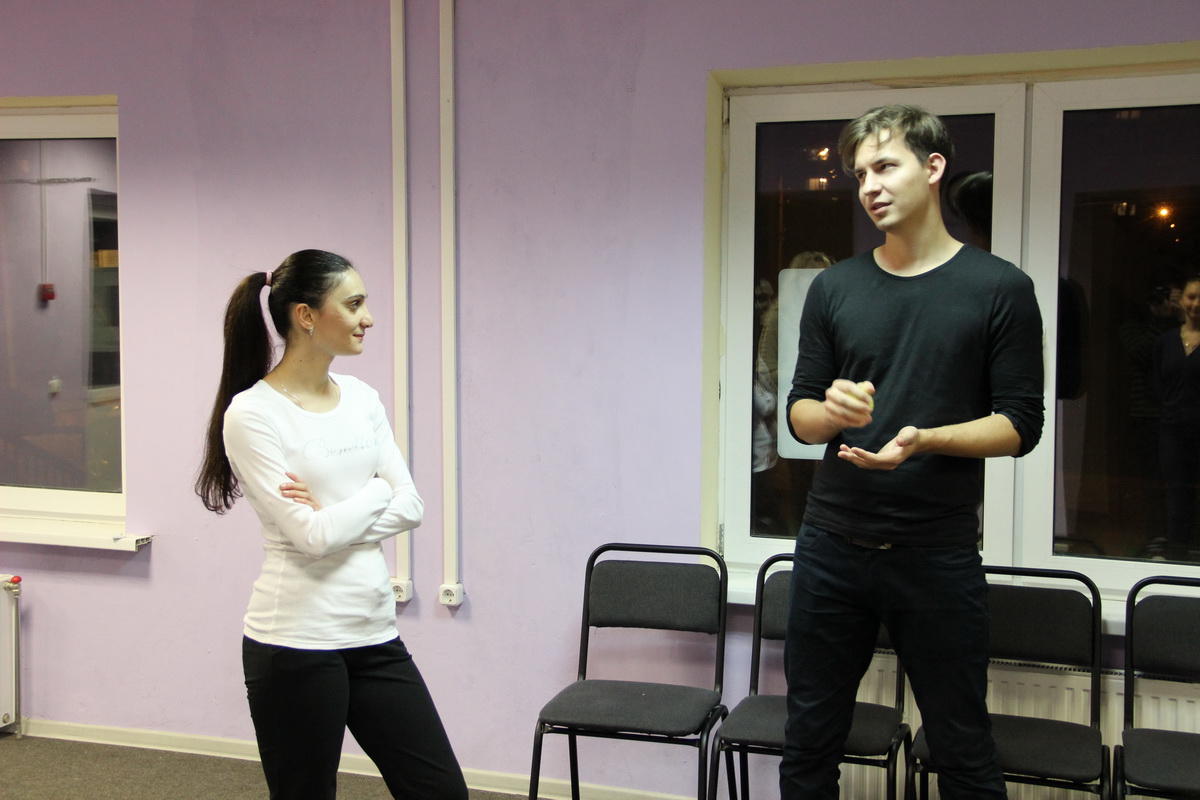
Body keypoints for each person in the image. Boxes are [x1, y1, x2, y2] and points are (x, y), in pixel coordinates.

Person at [781, 105, 1044, 799]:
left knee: (962, 750)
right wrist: (831, 413)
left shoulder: (1000, 288)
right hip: (831, 549)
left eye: (884, 166)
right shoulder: (834, 288)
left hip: (936, 554)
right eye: (859, 174)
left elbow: (1021, 425)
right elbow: (799, 417)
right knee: (808, 746)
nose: (869, 186)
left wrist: (927, 438)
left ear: (932, 168)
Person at [195, 249, 467, 800]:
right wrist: (375, 492)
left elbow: (412, 506)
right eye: (354, 304)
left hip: (373, 633)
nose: (369, 318)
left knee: (442, 792)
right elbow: (312, 537)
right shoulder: (252, 414)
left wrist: (332, 510)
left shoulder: (362, 399)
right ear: (306, 315)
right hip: (294, 643)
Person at [1152, 272, 1200, 561]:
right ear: (1181, 299)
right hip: (1172, 428)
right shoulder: (1166, 341)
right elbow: (1159, 382)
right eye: (1192, 297)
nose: (1196, 304)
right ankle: (1177, 555)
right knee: (1177, 491)